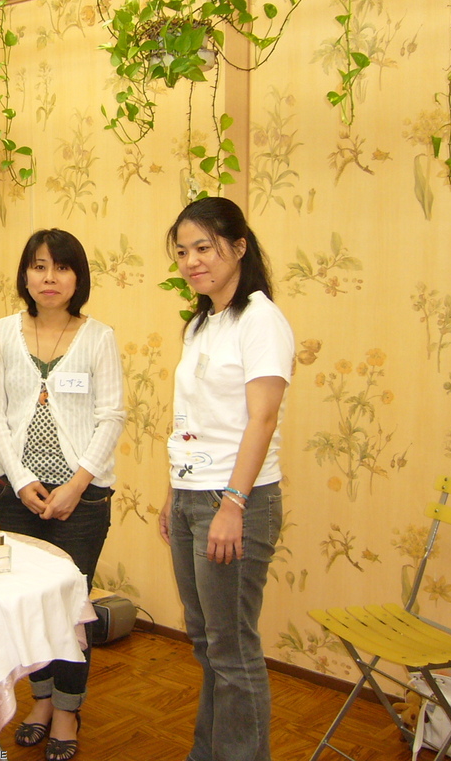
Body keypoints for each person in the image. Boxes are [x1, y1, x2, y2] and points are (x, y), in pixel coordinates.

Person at [158, 197, 293, 761]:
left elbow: (263, 419)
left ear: (239, 248)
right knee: (208, 645)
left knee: (233, 651)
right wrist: (174, 493)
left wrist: (232, 504)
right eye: (182, 251)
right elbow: (193, 420)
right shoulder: (201, 322)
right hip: (193, 496)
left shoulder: (260, 319)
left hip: (236, 500)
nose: (192, 261)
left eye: (204, 248)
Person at [0, 228, 124, 761]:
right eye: (39, 266)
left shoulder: (99, 337)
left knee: (70, 607)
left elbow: (111, 416)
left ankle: (67, 710)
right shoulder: (3, 333)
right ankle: (40, 701)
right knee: (28, 605)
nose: (49, 277)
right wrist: (21, 480)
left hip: (81, 501)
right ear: (25, 275)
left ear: (77, 277)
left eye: (61, 267)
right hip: (16, 495)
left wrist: (75, 484)